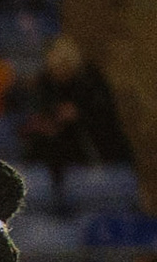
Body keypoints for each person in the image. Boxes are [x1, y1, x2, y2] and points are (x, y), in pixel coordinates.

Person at [17, 34, 133, 168]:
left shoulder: (91, 80)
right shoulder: (45, 82)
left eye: (63, 66)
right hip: (56, 144)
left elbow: (105, 116)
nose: (59, 72)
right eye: (54, 68)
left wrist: (78, 113)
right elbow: (40, 112)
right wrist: (48, 121)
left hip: (94, 142)